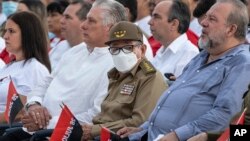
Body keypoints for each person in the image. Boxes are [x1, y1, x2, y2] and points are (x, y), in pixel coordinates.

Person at [117, 0, 250, 140]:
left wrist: (178, 135)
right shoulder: (202, 56)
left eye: (212, 19)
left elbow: (225, 114)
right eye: (206, 17)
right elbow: (176, 96)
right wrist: (144, 128)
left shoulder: (241, 63)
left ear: (231, 30)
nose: (203, 23)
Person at [0, 0, 127, 140]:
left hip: (66, 133)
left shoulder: (116, 64)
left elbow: (96, 115)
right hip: (40, 127)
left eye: (91, 21)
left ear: (110, 28)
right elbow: (43, 85)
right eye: (85, 19)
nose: (83, 25)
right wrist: (34, 105)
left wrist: (44, 122)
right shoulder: (74, 51)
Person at [81, 21, 167, 140]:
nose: (121, 54)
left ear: (142, 50)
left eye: (128, 47)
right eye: (115, 49)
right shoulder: (115, 75)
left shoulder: (149, 77)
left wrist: (94, 130)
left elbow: (140, 122)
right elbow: (106, 114)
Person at [0, 11, 51, 123]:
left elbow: (19, 112)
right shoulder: (7, 67)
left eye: (11, 31)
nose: (5, 36)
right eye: (5, 31)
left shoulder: (35, 68)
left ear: (27, 35)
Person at [149, 0, 199, 82]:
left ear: (174, 24)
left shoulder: (189, 53)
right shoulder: (162, 50)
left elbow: (179, 92)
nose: (150, 22)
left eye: (156, 17)